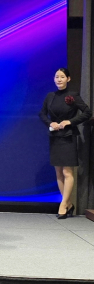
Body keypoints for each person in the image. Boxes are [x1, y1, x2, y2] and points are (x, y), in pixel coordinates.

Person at [38, 68, 92, 219]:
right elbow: (42, 113)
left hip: (68, 137)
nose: (59, 79)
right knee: (58, 172)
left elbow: (87, 113)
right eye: (57, 77)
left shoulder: (73, 95)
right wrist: (50, 123)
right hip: (55, 136)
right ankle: (68, 203)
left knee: (67, 172)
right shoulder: (50, 96)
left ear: (68, 79)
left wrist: (70, 121)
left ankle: (63, 204)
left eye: (62, 77)